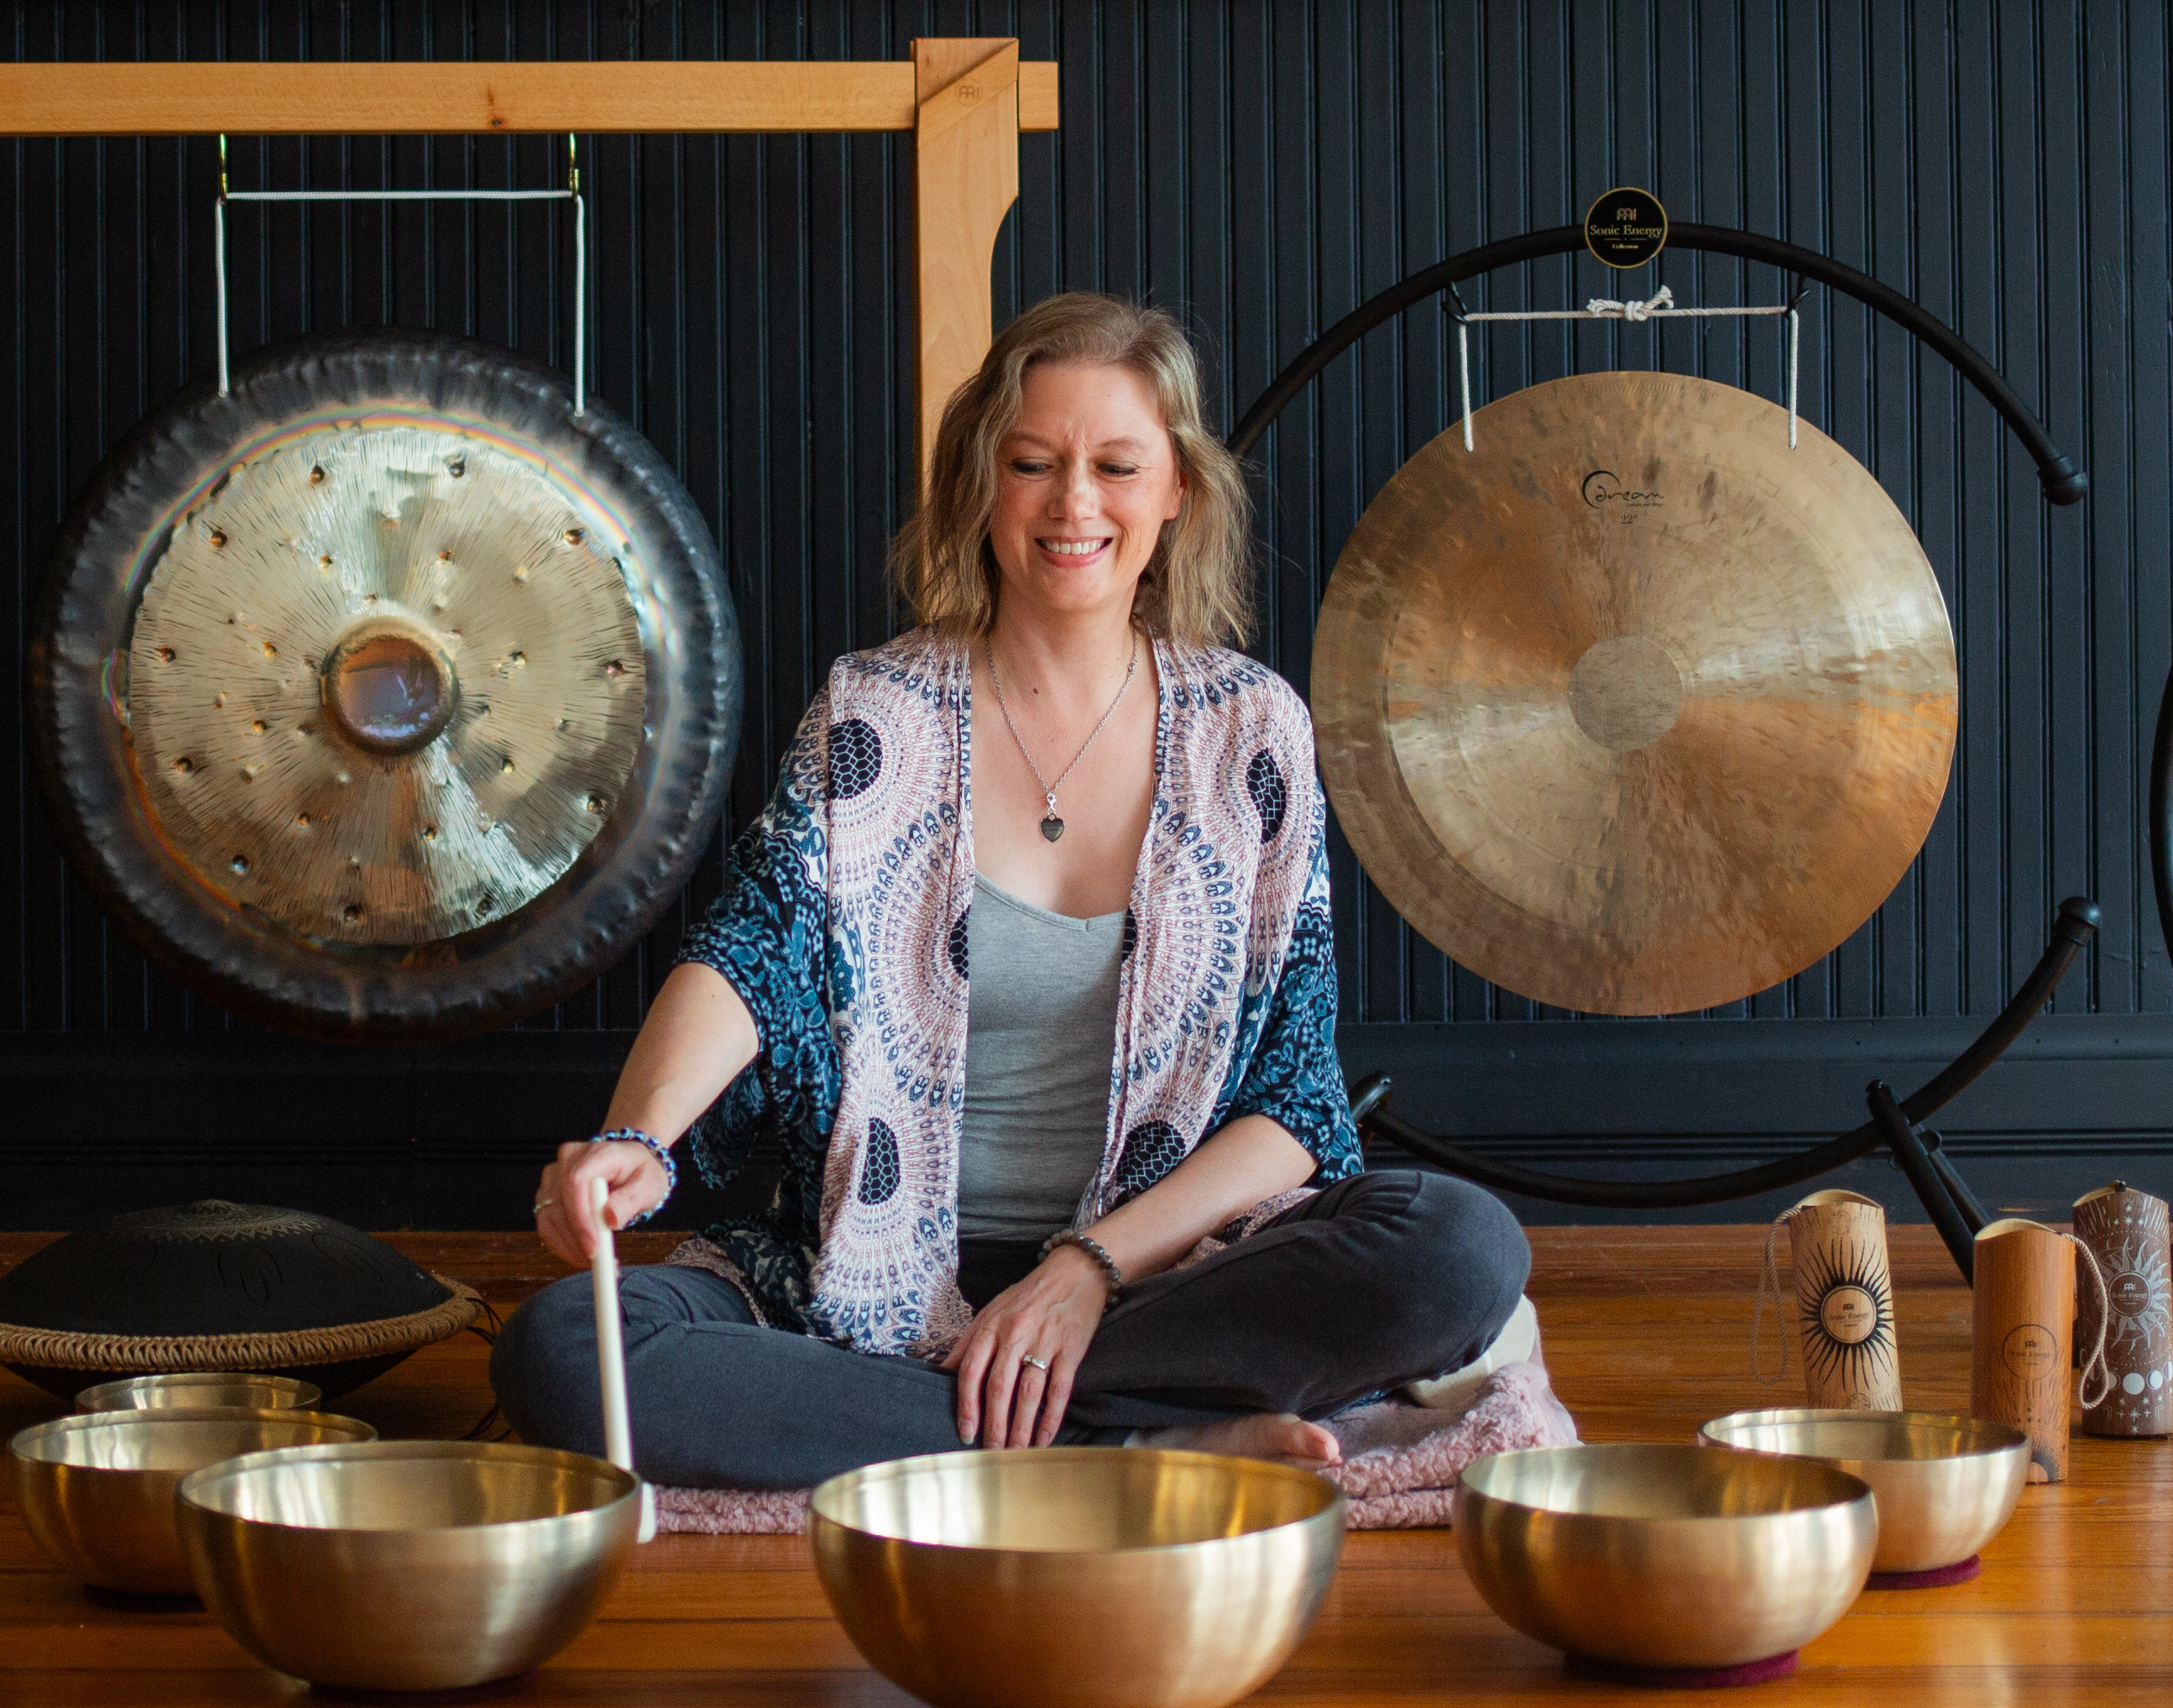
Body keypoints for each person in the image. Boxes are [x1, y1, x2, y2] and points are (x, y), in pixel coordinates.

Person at [491, 290, 1537, 1487]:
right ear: (983, 484)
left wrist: (1084, 1273)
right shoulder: (873, 714)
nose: (1073, 504)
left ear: (1177, 490)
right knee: (567, 1352)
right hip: (871, 1270)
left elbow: (1297, 1108)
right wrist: (639, 1136)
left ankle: (987, 1414)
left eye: (1116, 466)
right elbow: (755, 948)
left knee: (1458, 1249)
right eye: (1032, 463)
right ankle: (1128, 1437)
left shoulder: (1253, 732)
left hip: (1160, 1282)